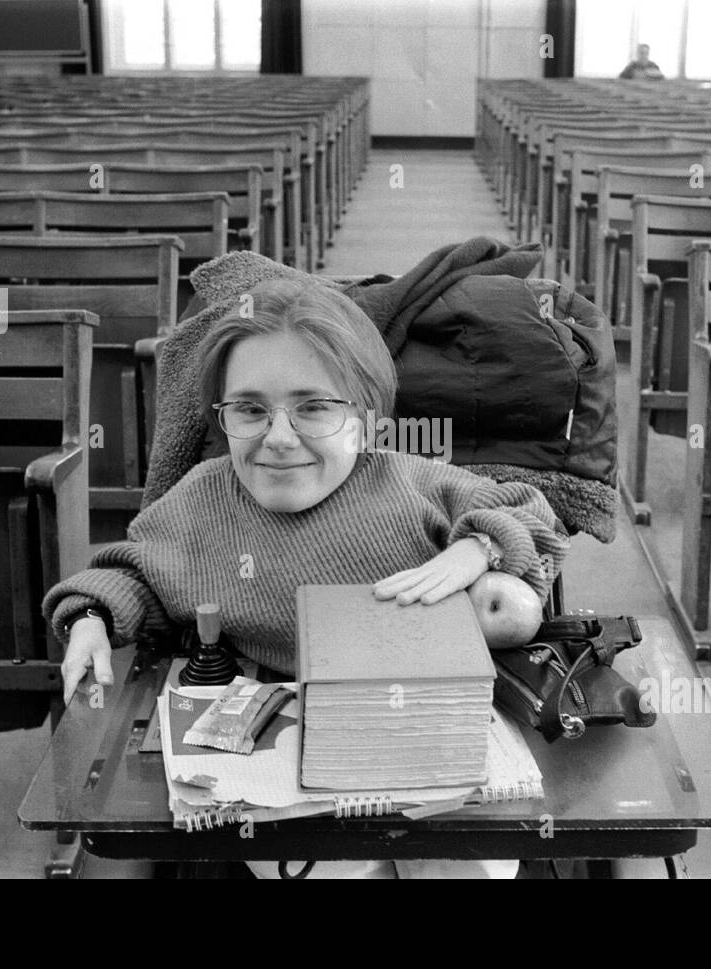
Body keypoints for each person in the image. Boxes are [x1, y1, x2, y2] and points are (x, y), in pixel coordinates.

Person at [42, 277, 571, 879]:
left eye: (314, 407)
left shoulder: (413, 483)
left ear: (367, 420)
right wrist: (89, 617)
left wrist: (479, 546)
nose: (279, 437)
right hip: (282, 754)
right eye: (249, 409)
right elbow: (136, 572)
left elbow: (535, 511)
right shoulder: (201, 501)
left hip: (425, 737)